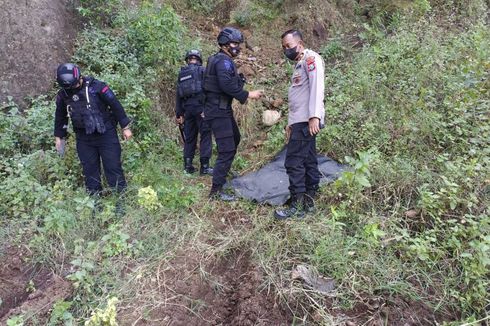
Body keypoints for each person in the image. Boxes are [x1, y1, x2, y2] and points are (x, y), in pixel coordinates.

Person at [54, 63, 132, 214]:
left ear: (80, 78)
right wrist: (59, 137)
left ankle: (121, 202)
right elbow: (60, 117)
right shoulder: (63, 94)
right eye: (69, 87)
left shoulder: (97, 87)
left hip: (106, 134)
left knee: (113, 168)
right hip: (84, 138)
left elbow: (115, 105)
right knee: (90, 171)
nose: (73, 88)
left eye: (75, 84)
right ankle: (96, 204)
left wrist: (125, 127)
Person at [203, 27, 264, 201]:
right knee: (227, 149)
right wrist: (248, 94)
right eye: (234, 43)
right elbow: (226, 85)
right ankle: (215, 191)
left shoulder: (219, 59)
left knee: (235, 138)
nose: (237, 47)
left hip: (221, 109)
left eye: (238, 44)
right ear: (224, 44)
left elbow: (228, 83)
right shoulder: (223, 61)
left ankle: (224, 171)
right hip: (218, 111)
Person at [274, 29, 325, 219]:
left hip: (307, 121)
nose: (286, 50)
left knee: (293, 162)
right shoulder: (299, 65)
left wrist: (315, 117)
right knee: (309, 160)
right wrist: (290, 123)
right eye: (284, 47)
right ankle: (309, 200)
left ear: (300, 44)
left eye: (289, 46)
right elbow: (297, 98)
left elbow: (317, 88)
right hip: (300, 122)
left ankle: (296, 205)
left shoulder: (311, 60)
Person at [175, 49, 213, 175]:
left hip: (187, 110)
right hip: (201, 108)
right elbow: (209, 89)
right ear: (199, 60)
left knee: (190, 137)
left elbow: (178, 96)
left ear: (188, 60)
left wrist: (179, 114)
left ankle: (187, 166)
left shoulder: (182, 74)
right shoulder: (202, 70)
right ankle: (205, 167)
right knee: (205, 135)